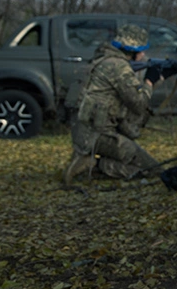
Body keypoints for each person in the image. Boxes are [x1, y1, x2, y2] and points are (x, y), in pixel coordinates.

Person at [63, 24, 162, 184]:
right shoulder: (119, 67)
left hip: (82, 133)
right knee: (153, 169)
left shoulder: (101, 59)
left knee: (137, 160)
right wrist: (150, 83)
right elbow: (138, 104)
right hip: (99, 136)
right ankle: (96, 165)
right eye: (141, 51)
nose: (144, 55)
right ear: (132, 50)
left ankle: (87, 160)